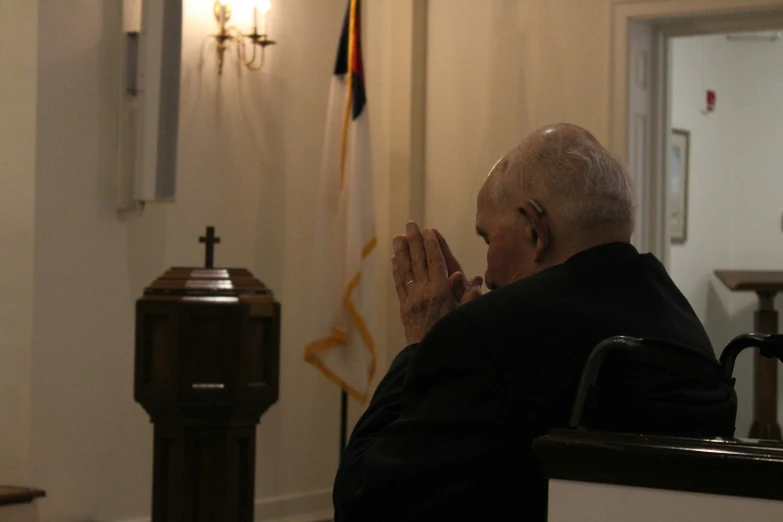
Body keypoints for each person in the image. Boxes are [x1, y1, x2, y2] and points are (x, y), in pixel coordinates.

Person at [332, 124, 735, 521]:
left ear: (534, 226)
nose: (487, 276)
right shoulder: (683, 323)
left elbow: (362, 498)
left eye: (488, 239)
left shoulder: (484, 335)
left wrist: (422, 340)